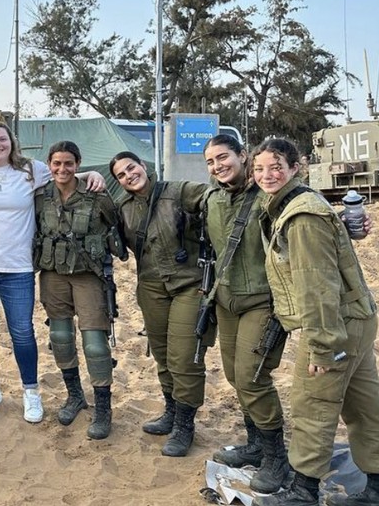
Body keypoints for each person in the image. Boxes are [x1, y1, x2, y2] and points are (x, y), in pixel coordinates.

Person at [251, 138, 379, 506]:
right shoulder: (299, 203)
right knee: (365, 407)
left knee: (313, 404)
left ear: (296, 167)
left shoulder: (302, 215)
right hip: (357, 318)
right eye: (260, 168)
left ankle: (302, 492)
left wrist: (323, 346)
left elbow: (317, 285)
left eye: (276, 166)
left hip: (334, 324)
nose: (267, 174)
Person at [0, 121, 104, 423]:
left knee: (22, 331)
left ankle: (30, 390)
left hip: (17, 268)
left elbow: (65, 175)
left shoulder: (30, 170)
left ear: (12, 143)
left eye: (2, 139)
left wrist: (93, 174)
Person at [203, 134, 289, 493]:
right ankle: (254, 443)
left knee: (253, 378)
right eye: (210, 162)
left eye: (223, 157)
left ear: (242, 155)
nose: (217, 166)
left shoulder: (270, 196)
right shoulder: (211, 198)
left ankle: (276, 458)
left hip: (262, 301)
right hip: (226, 302)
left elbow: (307, 218)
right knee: (235, 376)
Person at [110, 151, 209, 456]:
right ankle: (170, 410)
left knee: (184, 357)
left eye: (132, 167)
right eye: (121, 175)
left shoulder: (177, 192)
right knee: (163, 354)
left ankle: (185, 424)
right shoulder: (123, 208)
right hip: (151, 287)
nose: (129, 176)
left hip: (188, 285)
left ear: (144, 166)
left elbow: (214, 198)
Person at [35, 142, 125, 440]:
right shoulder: (40, 196)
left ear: (78, 164)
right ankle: (74, 395)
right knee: (60, 337)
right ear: (49, 164)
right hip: (53, 274)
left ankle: (103, 407)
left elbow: (118, 228)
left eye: (69, 164)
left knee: (95, 343)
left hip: (89, 275)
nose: (62, 169)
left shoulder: (97, 195)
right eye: (57, 163)